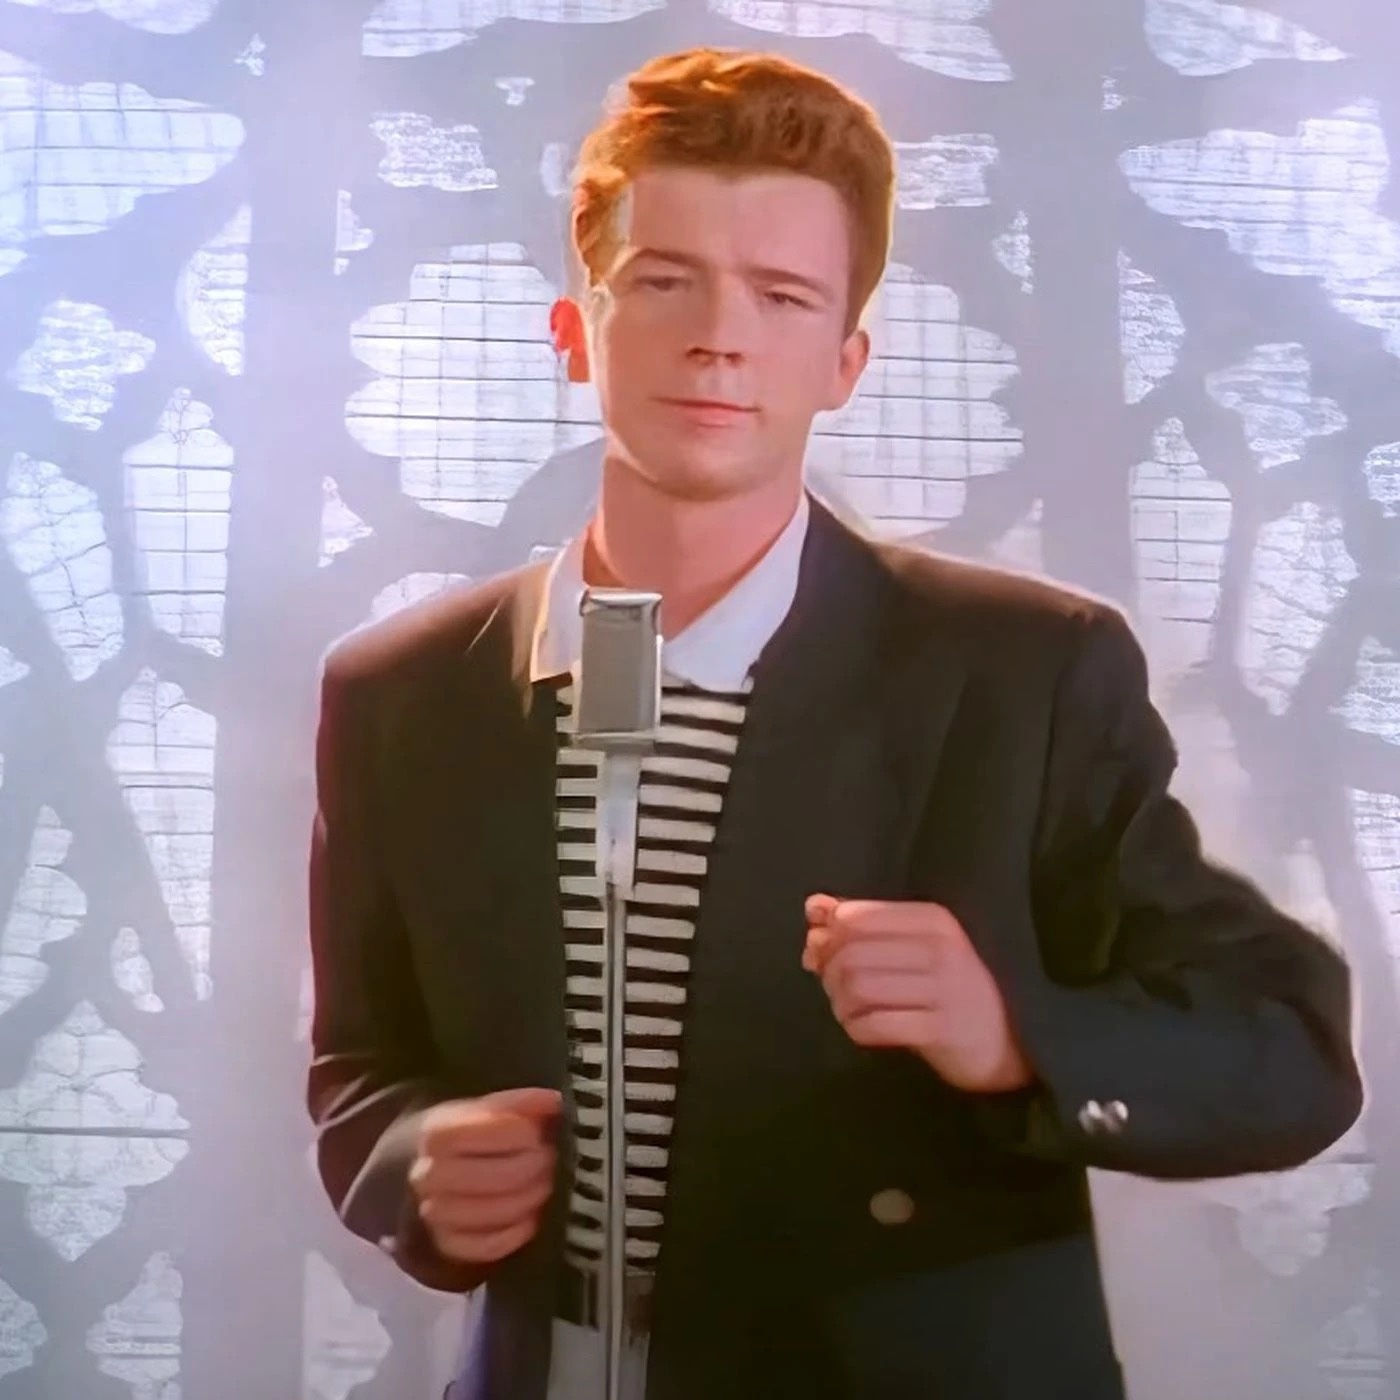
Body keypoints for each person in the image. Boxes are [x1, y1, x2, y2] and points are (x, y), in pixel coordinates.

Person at [306, 47, 1364, 1400]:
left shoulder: (1023, 674)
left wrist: (1016, 1036)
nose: (719, 336)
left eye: (782, 294)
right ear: (575, 330)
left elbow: (1287, 1052)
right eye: (665, 280)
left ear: (846, 362)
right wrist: (413, 1163)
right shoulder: (401, 694)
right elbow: (361, 1064)